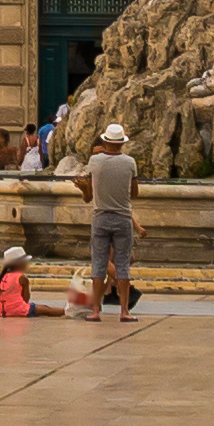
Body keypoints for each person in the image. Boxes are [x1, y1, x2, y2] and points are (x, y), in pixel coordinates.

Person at [76, 119, 140, 320]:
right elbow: (135, 192)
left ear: (105, 142)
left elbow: (90, 189)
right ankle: (124, 311)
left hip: (101, 217)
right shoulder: (130, 162)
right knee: (122, 265)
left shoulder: (95, 161)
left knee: (98, 264)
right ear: (121, 143)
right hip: (122, 218)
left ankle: (95, 311)